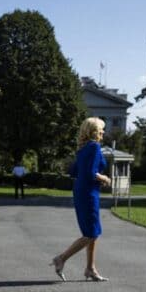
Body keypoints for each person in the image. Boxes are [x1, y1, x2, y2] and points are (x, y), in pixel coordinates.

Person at [51, 117, 111, 282]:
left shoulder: (83, 149)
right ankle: (61, 258)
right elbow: (91, 173)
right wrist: (104, 178)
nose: (103, 132)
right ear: (94, 131)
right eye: (101, 129)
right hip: (89, 193)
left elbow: (73, 171)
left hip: (83, 192)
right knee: (91, 233)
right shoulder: (93, 147)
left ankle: (90, 269)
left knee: (93, 232)